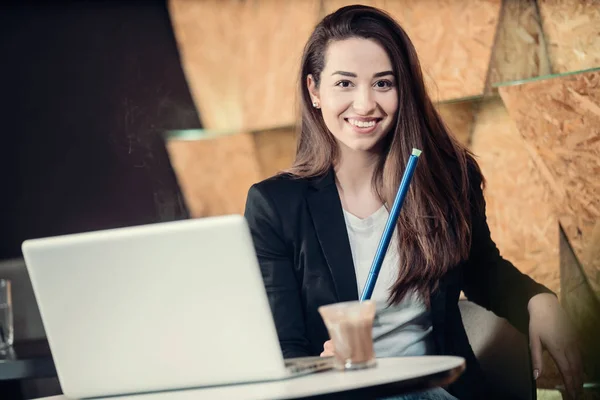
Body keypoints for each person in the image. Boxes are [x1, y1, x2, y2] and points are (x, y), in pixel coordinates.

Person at [244, 5, 583, 400]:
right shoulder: (275, 206)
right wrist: (320, 369)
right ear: (314, 91)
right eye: (345, 84)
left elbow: (483, 270)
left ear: (403, 90)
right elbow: (282, 347)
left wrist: (538, 299)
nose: (366, 104)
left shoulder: (446, 178)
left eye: (383, 83)